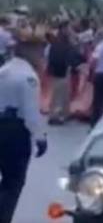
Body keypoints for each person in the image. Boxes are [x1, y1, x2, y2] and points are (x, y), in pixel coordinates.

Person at [0, 26, 48, 223]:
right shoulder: (28, 77)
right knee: (13, 183)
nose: (41, 55)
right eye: (39, 50)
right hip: (15, 132)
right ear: (29, 50)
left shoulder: (4, 69)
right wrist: (40, 138)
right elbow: (30, 113)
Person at [45, 19, 78, 125]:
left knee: (64, 93)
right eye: (68, 28)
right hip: (60, 70)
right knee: (58, 93)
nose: (69, 30)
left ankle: (63, 113)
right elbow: (59, 56)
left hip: (63, 69)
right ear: (63, 28)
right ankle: (55, 116)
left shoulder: (63, 39)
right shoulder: (60, 40)